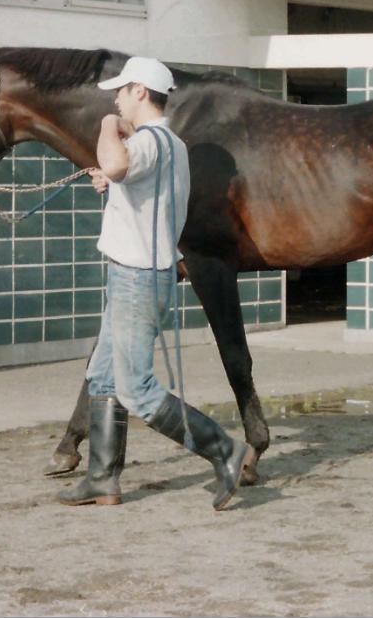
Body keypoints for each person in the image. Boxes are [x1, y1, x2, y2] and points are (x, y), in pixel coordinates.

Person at [57, 56, 255, 511]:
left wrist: (110, 127)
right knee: (103, 375)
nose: (116, 100)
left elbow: (120, 161)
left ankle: (225, 450)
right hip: (140, 274)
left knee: (136, 390)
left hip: (135, 278)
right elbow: (128, 176)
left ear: (141, 92)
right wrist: (112, 179)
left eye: (121, 92)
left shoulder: (146, 142)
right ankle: (102, 480)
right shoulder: (171, 146)